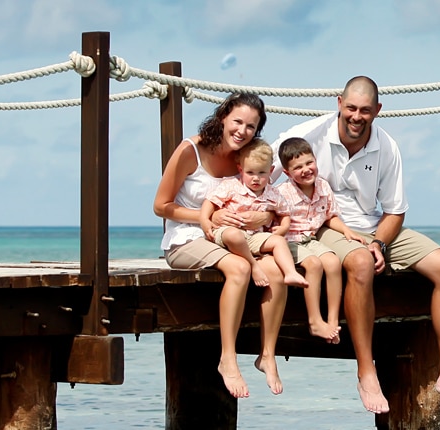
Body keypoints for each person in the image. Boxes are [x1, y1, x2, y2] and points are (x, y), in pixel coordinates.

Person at [271, 76, 440, 413]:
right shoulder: (307, 136)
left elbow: (395, 211)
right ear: (338, 103)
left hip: (374, 227)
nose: (356, 117)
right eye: (350, 108)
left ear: (377, 110)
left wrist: (379, 244)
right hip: (325, 226)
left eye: (364, 110)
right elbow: (257, 177)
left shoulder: (387, 146)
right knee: (360, 262)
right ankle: (366, 370)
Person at [154, 93, 289, 398]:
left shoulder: (249, 156)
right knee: (240, 269)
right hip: (187, 238)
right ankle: (227, 358)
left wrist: (264, 215)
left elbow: (269, 196)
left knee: (276, 272)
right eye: (237, 122)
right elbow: (161, 206)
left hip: (235, 239)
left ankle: (267, 354)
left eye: (251, 126)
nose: (242, 131)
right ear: (223, 116)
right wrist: (210, 215)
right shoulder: (192, 150)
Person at [272, 136, 363, 344]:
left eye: (309, 163)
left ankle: (332, 320)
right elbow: (272, 222)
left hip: (310, 238)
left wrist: (346, 231)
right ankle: (314, 320)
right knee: (313, 264)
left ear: (315, 161)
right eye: (298, 167)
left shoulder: (323, 187)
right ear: (287, 172)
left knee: (332, 261)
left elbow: (330, 216)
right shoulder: (281, 193)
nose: (305, 170)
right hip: (290, 241)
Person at [199, 138, 308, 289]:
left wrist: (283, 229)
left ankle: (290, 272)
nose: (256, 178)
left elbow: (284, 214)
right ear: (240, 170)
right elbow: (210, 202)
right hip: (228, 233)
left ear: (270, 171)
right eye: (250, 173)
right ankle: (254, 265)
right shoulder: (231, 186)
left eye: (262, 173)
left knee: (279, 242)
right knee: (234, 235)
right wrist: (205, 220)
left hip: (254, 237)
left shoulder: (273, 193)